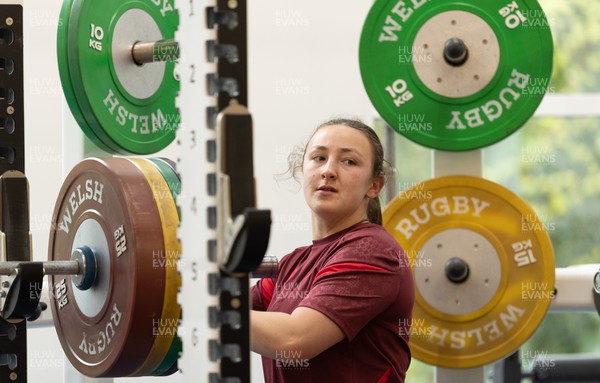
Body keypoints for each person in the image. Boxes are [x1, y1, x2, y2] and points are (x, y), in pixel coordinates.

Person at [251, 118, 415, 383]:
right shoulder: (294, 263)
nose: (328, 171)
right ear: (302, 170)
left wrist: (207, 307)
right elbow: (232, 301)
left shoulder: (374, 251)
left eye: (348, 161)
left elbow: (294, 339)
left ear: (374, 186)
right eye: (318, 157)